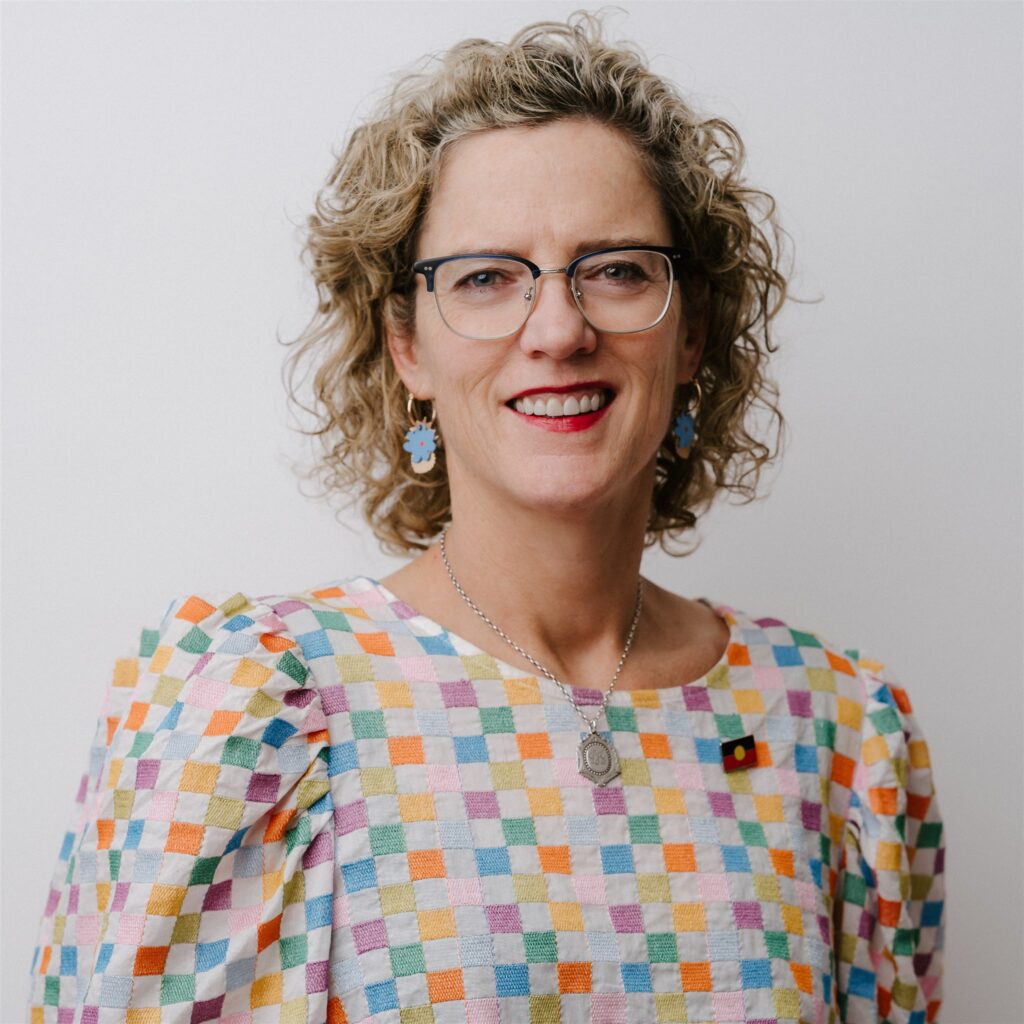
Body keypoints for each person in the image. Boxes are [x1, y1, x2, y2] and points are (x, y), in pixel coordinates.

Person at [28, 14, 944, 1024]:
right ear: (407, 347)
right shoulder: (258, 713)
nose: (558, 329)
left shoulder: (838, 726)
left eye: (617, 268)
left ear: (691, 332)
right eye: (484, 278)